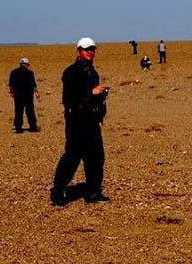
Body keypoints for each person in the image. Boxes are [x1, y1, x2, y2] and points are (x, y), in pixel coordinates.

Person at [50, 37, 110, 205]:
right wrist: (91, 93)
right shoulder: (71, 72)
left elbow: (92, 97)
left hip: (91, 121)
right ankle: (58, 191)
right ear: (79, 51)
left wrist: (101, 96)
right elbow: (69, 99)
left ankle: (93, 192)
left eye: (92, 49)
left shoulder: (93, 72)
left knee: (96, 157)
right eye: (86, 49)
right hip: (76, 121)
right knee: (72, 157)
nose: (90, 52)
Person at [8, 57, 41, 133]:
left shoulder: (13, 72)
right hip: (28, 96)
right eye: (28, 65)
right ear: (26, 64)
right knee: (30, 111)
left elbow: (11, 85)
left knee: (18, 111)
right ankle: (33, 127)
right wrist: (37, 92)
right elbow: (33, 84)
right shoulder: (30, 73)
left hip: (18, 96)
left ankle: (18, 128)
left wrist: (12, 92)